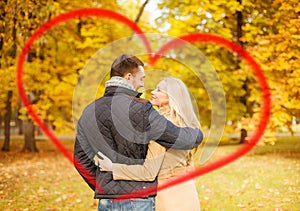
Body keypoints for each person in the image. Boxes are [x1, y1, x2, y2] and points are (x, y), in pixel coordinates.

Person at [73, 54, 204, 211]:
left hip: (107, 200)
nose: (143, 85)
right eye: (141, 79)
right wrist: (198, 134)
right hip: (138, 199)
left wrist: (104, 185)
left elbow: (80, 159)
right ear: (129, 77)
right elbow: (178, 138)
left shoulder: (89, 111)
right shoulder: (142, 109)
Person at [97, 77, 201, 211]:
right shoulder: (187, 124)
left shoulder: (161, 127)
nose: (153, 92)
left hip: (168, 198)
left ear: (171, 97)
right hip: (187, 194)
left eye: (159, 90)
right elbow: (189, 166)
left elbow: (148, 173)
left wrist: (112, 167)